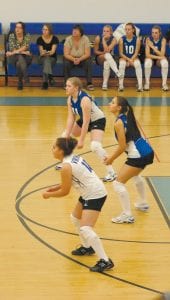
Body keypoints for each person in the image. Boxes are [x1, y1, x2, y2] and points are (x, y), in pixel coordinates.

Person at [42, 137, 114, 272]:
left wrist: (49, 195)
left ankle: (105, 261)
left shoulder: (66, 166)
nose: (52, 150)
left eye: (54, 147)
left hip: (94, 194)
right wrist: (55, 188)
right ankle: (87, 247)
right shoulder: (72, 158)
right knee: (75, 218)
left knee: (86, 228)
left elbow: (65, 191)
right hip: (89, 192)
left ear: (62, 151)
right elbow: (69, 181)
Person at [104, 96, 154, 224]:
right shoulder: (127, 118)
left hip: (138, 155)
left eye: (113, 102)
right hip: (147, 151)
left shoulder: (119, 123)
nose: (109, 104)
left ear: (119, 108)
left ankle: (127, 215)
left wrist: (111, 159)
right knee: (136, 175)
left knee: (118, 183)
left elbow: (122, 147)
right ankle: (142, 203)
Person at [60, 76, 116, 182]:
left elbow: (86, 123)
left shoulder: (84, 100)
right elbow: (71, 118)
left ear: (76, 88)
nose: (66, 88)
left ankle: (111, 172)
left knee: (95, 146)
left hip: (97, 120)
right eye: (66, 85)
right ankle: (67, 162)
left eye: (68, 86)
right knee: (64, 136)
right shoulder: (70, 99)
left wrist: (81, 141)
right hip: (85, 119)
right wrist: (67, 133)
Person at [63, 24, 94, 91]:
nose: (74, 31)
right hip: (71, 58)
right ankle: (67, 84)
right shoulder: (68, 39)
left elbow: (88, 54)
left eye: (76, 31)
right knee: (66, 62)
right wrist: (73, 59)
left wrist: (79, 59)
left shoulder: (85, 39)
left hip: (82, 58)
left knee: (89, 61)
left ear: (80, 33)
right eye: (73, 30)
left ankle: (89, 83)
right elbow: (66, 54)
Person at [94, 24, 122, 90]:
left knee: (106, 62)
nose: (105, 33)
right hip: (99, 57)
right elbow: (95, 51)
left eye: (107, 31)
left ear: (111, 33)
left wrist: (104, 41)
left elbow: (107, 50)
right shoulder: (98, 38)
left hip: (109, 58)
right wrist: (103, 39)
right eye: (104, 31)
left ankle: (104, 84)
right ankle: (117, 71)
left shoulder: (114, 39)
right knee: (107, 55)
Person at [6, 21, 32, 90]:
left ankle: (20, 82)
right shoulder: (12, 36)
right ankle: (25, 76)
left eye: (19, 28)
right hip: (14, 57)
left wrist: (11, 53)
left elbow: (25, 47)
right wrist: (24, 52)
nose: (17, 29)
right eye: (16, 27)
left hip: (26, 58)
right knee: (19, 57)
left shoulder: (27, 35)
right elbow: (13, 48)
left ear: (23, 29)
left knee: (19, 63)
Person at [118, 22, 143, 92]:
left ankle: (140, 86)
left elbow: (136, 52)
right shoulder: (121, 39)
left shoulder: (137, 39)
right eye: (126, 29)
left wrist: (131, 60)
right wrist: (128, 60)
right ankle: (120, 85)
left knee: (138, 64)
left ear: (133, 30)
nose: (127, 31)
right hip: (124, 57)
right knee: (122, 64)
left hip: (133, 58)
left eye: (129, 29)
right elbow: (121, 53)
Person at [144, 25, 169, 91]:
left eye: (156, 33)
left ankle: (164, 84)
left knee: (165, 63)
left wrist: (152, 47)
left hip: (159, 60)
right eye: (152, 32)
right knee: (147, 62)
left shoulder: (163, 40)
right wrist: (160, 57)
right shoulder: (148, 39)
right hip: (152, 58)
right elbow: (147, 55)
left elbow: (162, 54)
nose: (154, 34)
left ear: (160, 33)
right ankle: (147, 83)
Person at [37, 24, 59, 90]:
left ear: (50, 31)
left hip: (52, 58)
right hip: (41, 58)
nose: (44, 31)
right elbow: (41, 52)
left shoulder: (55, 38)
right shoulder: (39, 39)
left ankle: (45, 83)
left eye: (46, 30)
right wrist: (44, 53)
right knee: (46, 60)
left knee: (47, 61)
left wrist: (47, 52)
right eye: (43, 29)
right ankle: (50, 77)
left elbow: (53, 51)